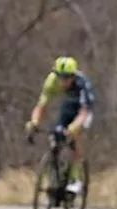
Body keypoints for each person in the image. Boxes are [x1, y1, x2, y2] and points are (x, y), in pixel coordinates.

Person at [25, 56, 94, 195]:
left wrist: (74, 128)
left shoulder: (81, 84)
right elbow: (41, 105)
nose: (63, 81)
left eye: (67, 77)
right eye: (60, 77)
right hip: (68, 106)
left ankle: (76, 179)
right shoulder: (51, 81)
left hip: (83, 109)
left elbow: (83, 112)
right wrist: (34, 122)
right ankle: (55, 174)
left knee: (75, 135)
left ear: (73, 76)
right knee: (56, 134)